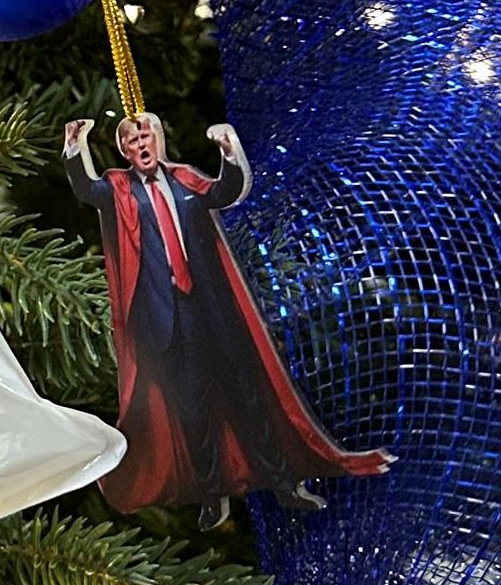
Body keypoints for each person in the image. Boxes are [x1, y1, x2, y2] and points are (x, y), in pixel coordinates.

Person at [65, 111, 388, 526]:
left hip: (213, 310)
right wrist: (75, 147)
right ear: (125, 151)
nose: (141, 146)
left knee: (247, 397)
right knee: (192, 410)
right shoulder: (119, 188)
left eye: (146, 137)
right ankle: (211, 493)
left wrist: (229, 151)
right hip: (165, 325)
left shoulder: (183, 180)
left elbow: (224, 192)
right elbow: (87, 189)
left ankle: (284, 484)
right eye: (132, 142)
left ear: (159, 141)